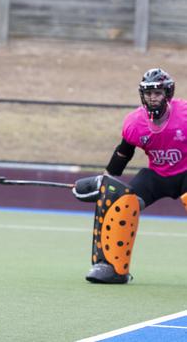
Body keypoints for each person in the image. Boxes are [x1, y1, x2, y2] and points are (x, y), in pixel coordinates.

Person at [73, 68, 186, 284]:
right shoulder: (135, 122)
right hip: (157, 176)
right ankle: (111, 267)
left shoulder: (185, 115)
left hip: (186, 173)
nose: (152, 98)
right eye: (148, 93)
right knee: (121, 202)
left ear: (168, 94)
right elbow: (124, 153)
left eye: (158, 93)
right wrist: (104, 184)